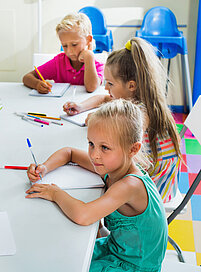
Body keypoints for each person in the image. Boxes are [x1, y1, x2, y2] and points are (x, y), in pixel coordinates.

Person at [27, 99, 168, 271]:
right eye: (91, 144)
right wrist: (45, 167)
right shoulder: (113, 165)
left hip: (134, 266)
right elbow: (69, 153)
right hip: (117, 248)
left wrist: (55, 193)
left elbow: (83, 215)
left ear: (133, 149)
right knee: (60, 254)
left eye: (105, 148)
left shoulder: (130, 185)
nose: (94, 155)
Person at [63, 37, 182, 203]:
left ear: (131, 86)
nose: (106, 88)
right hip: (152, 174)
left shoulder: (140, 113)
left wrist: (97, 122)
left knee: (90, 182)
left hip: (153, 188)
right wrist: (80, 107)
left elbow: (125, 152)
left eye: (110, 83)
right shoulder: (139, 97)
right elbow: (103, 99)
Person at [22, 12, 104, 94]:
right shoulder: (58, 62)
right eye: (65, 46)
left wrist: (89, 56)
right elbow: (27, 78)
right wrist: (37, 84)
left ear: (88, 40)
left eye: (74, 44)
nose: (69, 51)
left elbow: (91, 88)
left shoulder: (98, 66)